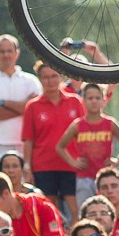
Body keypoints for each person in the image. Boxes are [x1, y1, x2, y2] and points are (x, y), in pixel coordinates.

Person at [22, 61, 85, 220]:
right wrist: (27, 166)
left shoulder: (74, 101)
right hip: (44, 164)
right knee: (50, 207)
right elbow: (28, 139)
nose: (50, 81)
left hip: (71, 163)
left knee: (74, 207)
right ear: (40, 79)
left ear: (61, 77)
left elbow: (84, 133)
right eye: (46, 77)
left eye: (54, 76)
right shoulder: (33, 106)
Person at [0, 34, 41, 174]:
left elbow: (37, 111)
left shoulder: (31, 80)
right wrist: (24, 107)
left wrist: (4, 103)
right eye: (2, 51)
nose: (6, 55)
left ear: (16, 53)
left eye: (9, 51)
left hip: (25, 146)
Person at [60, 81, 119, 214]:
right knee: (85, 212)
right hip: (85, 177)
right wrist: (73, 162)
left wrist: (117, 160)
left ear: (103, 100)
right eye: (90, 98)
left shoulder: (110, 123)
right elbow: (60, 147)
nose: (94, 101)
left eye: (98, 98)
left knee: (108, 211)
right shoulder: (78, 125)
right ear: (83, 101)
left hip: (105, 176)